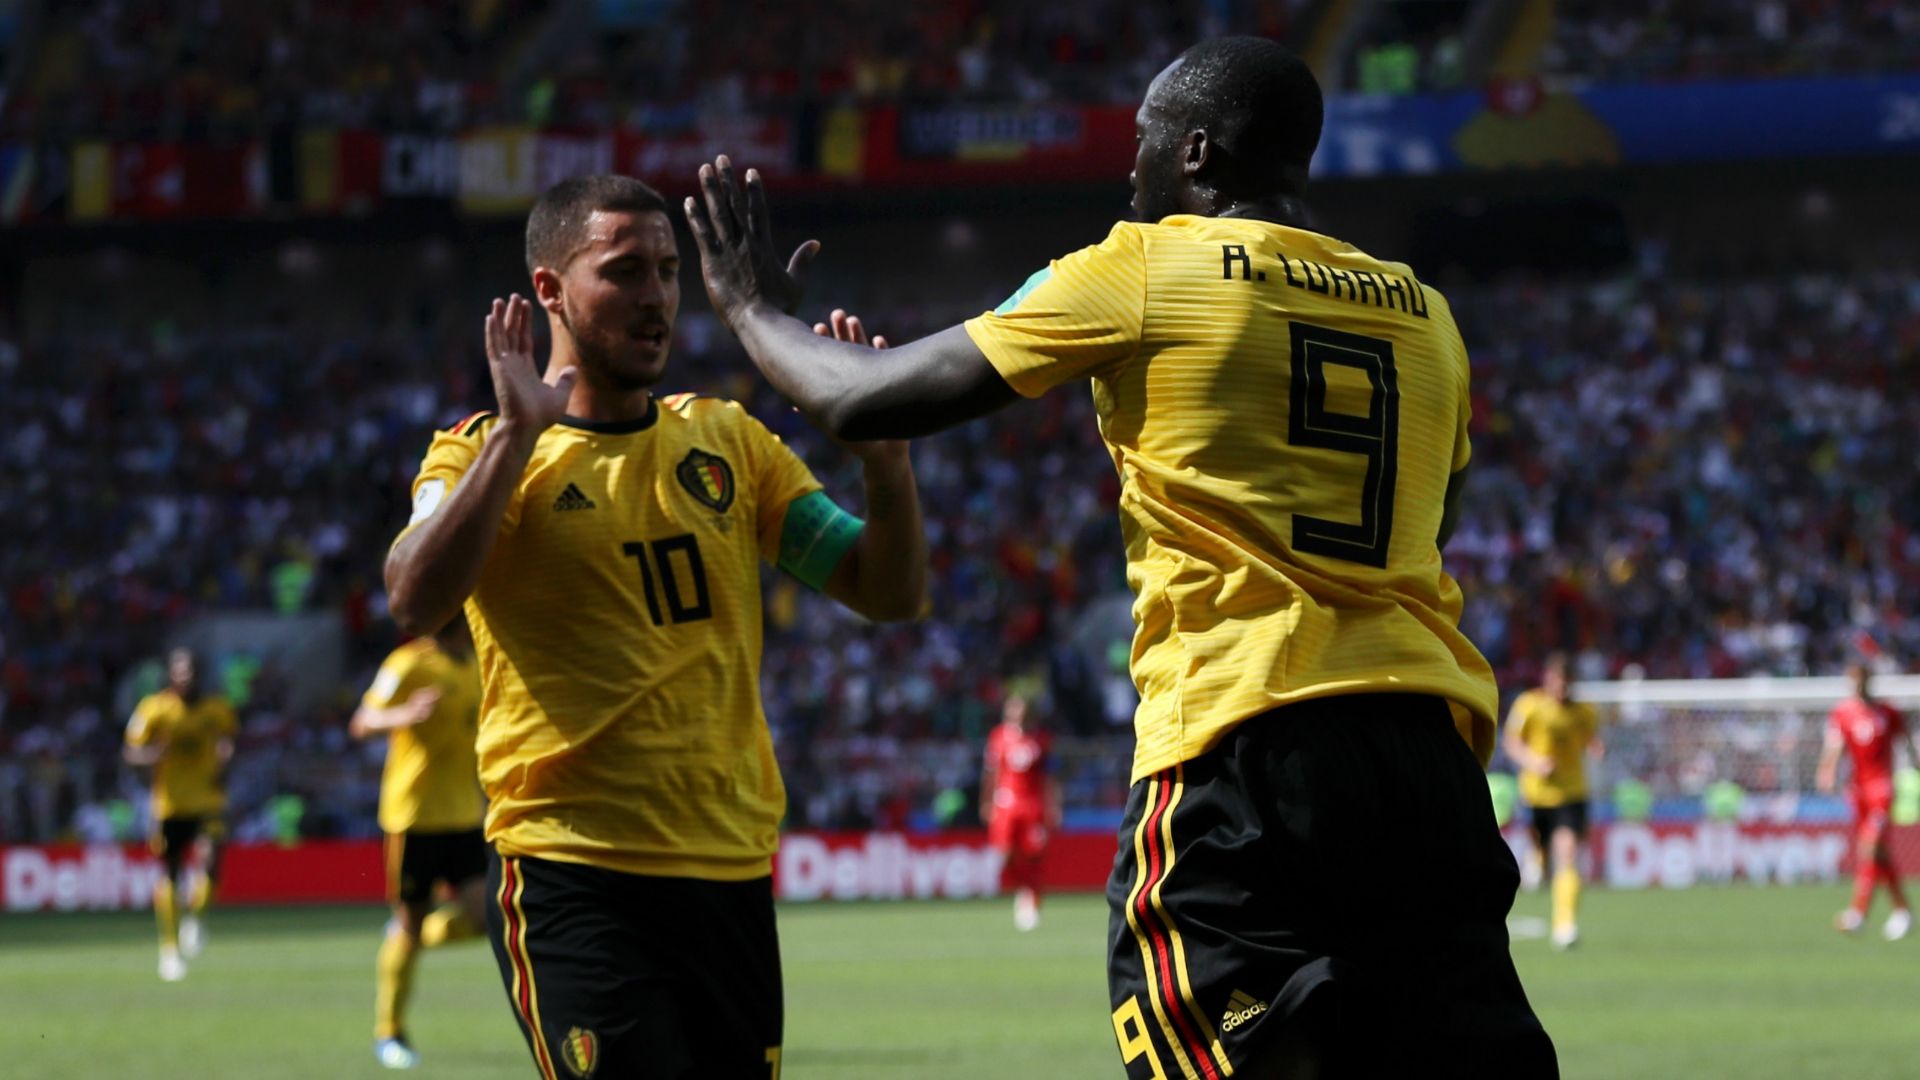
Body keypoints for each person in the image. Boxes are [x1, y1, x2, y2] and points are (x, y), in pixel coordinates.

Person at [686, 35, 1555, 1079]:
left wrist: (745, 306)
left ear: (1195, 154)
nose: (1125, 169)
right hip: (1428, 758)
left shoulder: (1144, 266)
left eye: (1141, 143)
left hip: (1246, 742)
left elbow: (862, 396)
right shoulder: (1429, 318)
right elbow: (1431, 523)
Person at [383, 174, 928, 1079]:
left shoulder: (729, 443)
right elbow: (413, 597)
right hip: (572, 874)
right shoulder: (480, 451)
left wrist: (887, 468)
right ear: (550, 291)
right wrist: (515, 439)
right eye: (625, 271)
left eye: (670, 272)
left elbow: (887, 591)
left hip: (729, 873)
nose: (657, 299)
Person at [349, 617, 487, 1070]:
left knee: (486, 917)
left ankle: (410, 937)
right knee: (411, 921)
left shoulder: (481, 662)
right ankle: (389, 1031)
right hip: (414, 818)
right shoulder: (407, 663)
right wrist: (403, 716)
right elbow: (363, 722)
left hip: (465, 814)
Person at [123, 647, 235, 983]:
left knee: (213, 861)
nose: (187, 677)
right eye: (180, 671)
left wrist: (226, 755)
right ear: (171, 676)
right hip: (169, 804)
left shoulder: (217, 709)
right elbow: (131, 751)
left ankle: (195, 917)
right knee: (170, 874)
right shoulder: (155, 709)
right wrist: (153, 754)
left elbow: (229, 739)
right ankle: (169, 951)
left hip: (206, 800)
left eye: (192, 671)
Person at [1502, 652, 1600, 950]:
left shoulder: (1584, 712)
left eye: (1568, 682)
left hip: (1571, 793)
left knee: (1567, 854)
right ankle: (1538, 858)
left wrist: (1596, 747)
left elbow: (1589, 738)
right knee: (1541, 852)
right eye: (1559, 681)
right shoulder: (1529, 706)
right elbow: (1511, 742)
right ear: (1548, 679)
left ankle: (1564, 925)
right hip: (1536, 793)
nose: (1563, 688)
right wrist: (1533, 761)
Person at [1817, 663, 1915, 940]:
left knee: (1870, 848)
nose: (1857, 686)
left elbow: (1906, 741)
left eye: (1861, 680)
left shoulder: (1888, 712)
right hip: (1858, 791)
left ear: (1869, 681)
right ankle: (1902, 909)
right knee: (1878, 853)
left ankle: (1858, 913)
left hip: (1882, 789)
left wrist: (1916, 763)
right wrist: (1826, 771)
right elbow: (1835, 746)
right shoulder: (1843, 713)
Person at [981, 695, 1061, 931]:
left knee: (1034, 855)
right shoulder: (998, 737)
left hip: (1033, 804)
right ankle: (1020, 888)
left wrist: (1054, 805)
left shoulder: (1041, 739)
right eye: (1014, 710)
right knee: (1005, 852)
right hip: (1006, 803)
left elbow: (1050, 776)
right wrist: (986, 801)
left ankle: (1031, 899)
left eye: (1022, 711)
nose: (1018, 715)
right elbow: (991, 773)